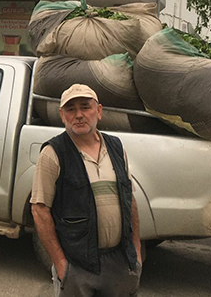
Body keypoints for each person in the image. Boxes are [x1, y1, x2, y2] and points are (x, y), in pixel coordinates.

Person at [30, 84, 142, 297]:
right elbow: (39, 210)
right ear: (62, 115)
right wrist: (62, 266)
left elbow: (130, 201)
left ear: (98, 111)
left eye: (85, 107)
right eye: (71, 109)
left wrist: (135, 253)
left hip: (120, 261)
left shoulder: (116, 147)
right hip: (77, 265)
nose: (79, 115)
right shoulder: (53, 153)